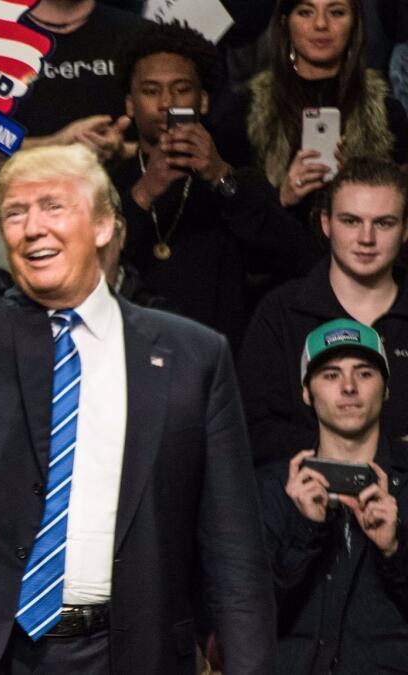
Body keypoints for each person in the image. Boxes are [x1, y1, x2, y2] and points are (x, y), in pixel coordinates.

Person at [0, 144, 274, 673]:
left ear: (105, 226)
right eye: (14, 214)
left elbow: (235, 553)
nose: (32, 227)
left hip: (120, 652)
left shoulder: (193, 355)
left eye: (52, 207)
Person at [112, 21, 319, 350]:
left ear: (204, 100)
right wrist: (145, 191)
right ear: (129, 104)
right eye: (151, 91)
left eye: (181, 89)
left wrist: (221, 176)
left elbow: (295, 256)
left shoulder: (236, 180)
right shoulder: (110, 181)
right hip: (130, 353)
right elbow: (91, 262)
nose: (166, 102)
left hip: (218, 355)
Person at [258, 319, 408, 671]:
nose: (349, 387)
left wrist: (395, 549)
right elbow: (249, 617)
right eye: (330, 375)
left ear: (386, 388)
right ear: (307, 392)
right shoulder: (272, 488)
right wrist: (306, 530)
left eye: (365, 373)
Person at [241, 157, 408, 465]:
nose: (366, 239)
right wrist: (374, 453)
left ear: (405, 230)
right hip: (301, 504)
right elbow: (254, 431)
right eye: (351, 221)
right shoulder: (282, 311)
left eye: (384, 223)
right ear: (326, 223)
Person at [212, 0, 408, 214]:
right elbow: (230, 210)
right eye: (305, 12)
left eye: (336, 12)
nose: (321, 24)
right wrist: (281, 197)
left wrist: (357, 181)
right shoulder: (245, 109)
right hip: (274, 244)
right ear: (285, 23)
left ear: (355, 23)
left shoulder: (387, 112)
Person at [9, 0, 150, 164]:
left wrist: (122, 150)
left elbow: (176, 142)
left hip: (123, 185)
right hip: (19, 184)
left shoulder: (142, 35)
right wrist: (55, 144)